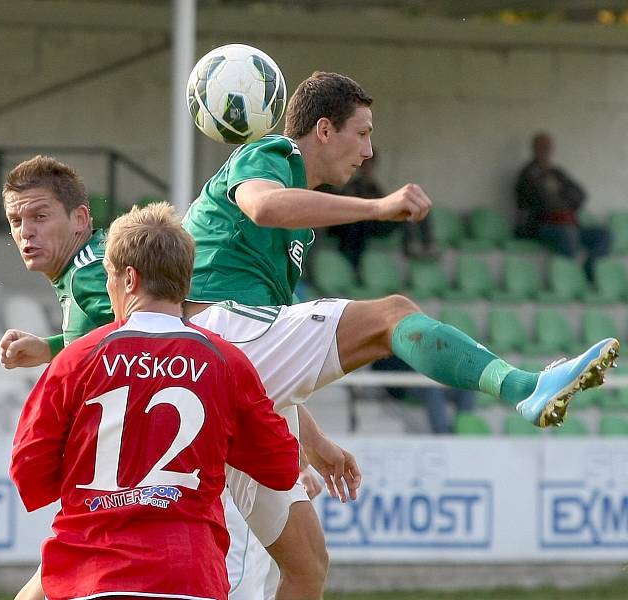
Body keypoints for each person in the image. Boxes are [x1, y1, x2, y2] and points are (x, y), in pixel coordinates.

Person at [181, 71, 619, 596]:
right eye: (362, 133)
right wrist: (378, 207)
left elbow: (262, 356)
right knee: (391, 315)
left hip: (226, 370)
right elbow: (264, 206)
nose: (368, 152)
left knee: (307, 565)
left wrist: (313, 440)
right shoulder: (270, 154)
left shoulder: (294, 228)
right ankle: (524, 388)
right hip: (207, 337)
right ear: (323, 129)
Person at [0, 155, 352, 600]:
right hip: (189, 561)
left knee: (305, 563)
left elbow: (30, 465)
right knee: (307, 565)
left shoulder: (90, 284)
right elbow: (167, 352)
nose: (25, 231)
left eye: (38, 216)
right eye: (17, 220)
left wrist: (306, 439)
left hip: (102, 554)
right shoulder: (221, 360)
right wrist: (52, 346)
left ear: (126, 277)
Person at [515, 131, 611, 280]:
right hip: (541, 225)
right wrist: (563, 198)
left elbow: (580, 194)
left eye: (549, 146)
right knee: (568, 234)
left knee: (604, 235)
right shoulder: (528, 174)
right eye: (542, 146)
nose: (546, 150)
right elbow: (544, 202)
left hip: (568, 223)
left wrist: (560, 198)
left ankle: (589, 272)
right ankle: (567, 278)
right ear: (534, 149)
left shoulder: (556, 172)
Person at [323, 152, 438, 266]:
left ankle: (420, 245)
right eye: (365, 165)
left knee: (412, 206)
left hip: (375, 222)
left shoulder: (374, 187)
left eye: (371, 165)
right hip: (358, 225)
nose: (368, 168)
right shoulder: (353, 186)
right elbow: (348, 209)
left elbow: (384, 204)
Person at [371, 356, 474, 434]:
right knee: (432, 390)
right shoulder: (382, 348)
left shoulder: (410, 336)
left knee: (466, 386)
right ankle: (442, 433)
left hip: (432, 375)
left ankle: (465, 427)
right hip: (405, 384)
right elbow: (381, 369)